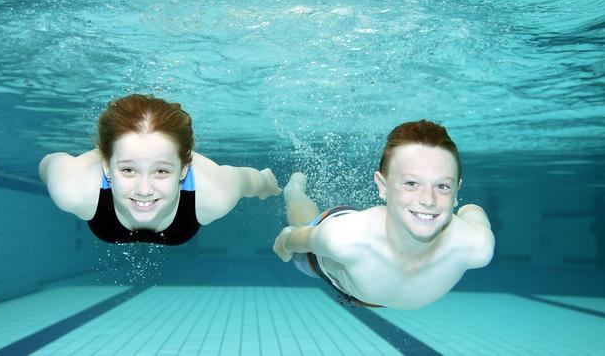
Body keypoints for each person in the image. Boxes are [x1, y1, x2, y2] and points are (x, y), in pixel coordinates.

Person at [273, 120, 494, 309]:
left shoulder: (475, 246)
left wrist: (469, 209)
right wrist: (285, 242)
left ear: (457, 192)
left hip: (370, 241)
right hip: (335, 256)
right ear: (382, 186)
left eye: (443, 186)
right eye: (411, 183)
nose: (428, 200)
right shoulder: (342, 239)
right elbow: (297, 238)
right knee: (304, 227)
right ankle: (294, 191)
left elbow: (473, 212)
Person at [39, 94, 281, 246]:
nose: (144, 190)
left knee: (256, 183)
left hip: (182, 167)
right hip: (119, 159)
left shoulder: (214, 192)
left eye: (161, 172)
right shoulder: (72, 187)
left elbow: (247, 180)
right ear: (106, 166)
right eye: (128, 170)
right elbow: (50, 162)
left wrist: (265, 183)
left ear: (184, 169)